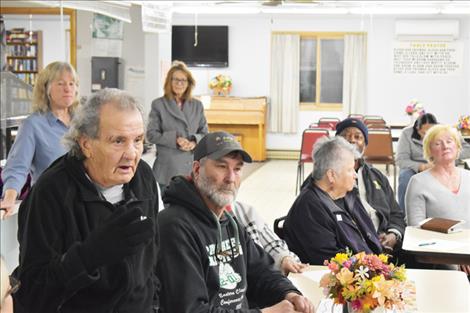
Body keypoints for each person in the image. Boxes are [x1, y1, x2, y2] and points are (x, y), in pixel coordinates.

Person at [14, 89, 160, 312]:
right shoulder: (51, 191)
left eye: (138, 140)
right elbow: (33, 291)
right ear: (86, 144)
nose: (132, 154)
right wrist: (88, 256)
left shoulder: (143, 177)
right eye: (118, 141)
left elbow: (152, 262)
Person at [157, 131, 314, 313]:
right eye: (222, 167)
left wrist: (289, 293)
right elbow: (191, 309)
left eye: (237, 169)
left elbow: (263, 272)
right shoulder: (174, 227)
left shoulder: (229, 221)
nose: (231, 178)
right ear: (197, 170)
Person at [284, 136, 383, 265]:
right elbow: (332, 265)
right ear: (331, 175)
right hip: (346, 279)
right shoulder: (309, 209)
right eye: (350, 169)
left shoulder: (348, 194)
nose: (355, 175)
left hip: (371, 269)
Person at [1, 61, 80, 219]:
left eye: (72, 83)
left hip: (82, 207)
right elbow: (17, 167)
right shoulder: (33, 125)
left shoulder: (83, 122)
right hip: (49, 208)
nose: (68, 89)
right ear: (46, 88)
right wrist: (9, 198)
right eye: (61, 83)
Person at [405, 124, 470, 275]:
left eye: (449, 141)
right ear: (429, 151)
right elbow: (416, 230)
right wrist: (457, 258)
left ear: (458, 146)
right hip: (439, 256)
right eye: (437, 143)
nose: (445, 146)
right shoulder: (418, 182)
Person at [336, 118, 405, 253]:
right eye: (345, 136)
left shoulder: (377, 176)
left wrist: (393, 234)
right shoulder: (328, 178)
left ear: (365, 145)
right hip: (352, 249)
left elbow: (396, 213)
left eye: (358, 137)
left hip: (385, 244)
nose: (352, 140)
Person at [146, 60, 208, 191]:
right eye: (176, 80)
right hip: (167, 169)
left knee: (190, 209)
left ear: (189, 83)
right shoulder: (159, 104)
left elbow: (205, 133)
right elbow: (151, 134)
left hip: (191, 168)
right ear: (169, 81)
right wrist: (175, 139)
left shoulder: (197, 105)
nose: (179, 84)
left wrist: (194, 141)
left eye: (183, 80)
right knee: (168, 209)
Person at [229, 201, 308, 275]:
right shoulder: (309, 202)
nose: (230, 185)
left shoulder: (245, 212)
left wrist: (284, 259)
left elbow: (273, 244)